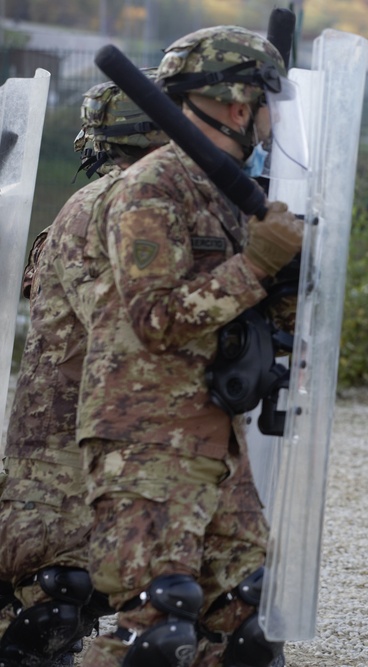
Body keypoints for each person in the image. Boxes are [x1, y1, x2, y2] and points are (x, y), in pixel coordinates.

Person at [75, 25, 302, 667]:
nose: (270, 118)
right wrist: (257, 264)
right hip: (144, 439)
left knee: (249, 621)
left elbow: (247, 315)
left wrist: (289, 279)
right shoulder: (153, 187)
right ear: (238, 106)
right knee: (157, 627)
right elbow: (156, 317)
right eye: (266, 101)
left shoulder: (225, 191)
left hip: (213, 435)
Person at [0, 76, 168, 665]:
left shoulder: (90, 206)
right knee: (56, 594)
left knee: (60, 589)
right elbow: (135, 323)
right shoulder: (118, 208)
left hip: (67, 432)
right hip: (69, 437)